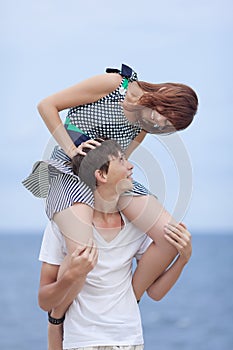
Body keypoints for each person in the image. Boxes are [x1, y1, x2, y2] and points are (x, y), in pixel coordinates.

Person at [23, 63, 198, 297]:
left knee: (170, 237)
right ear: (164, 95)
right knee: (83, 255)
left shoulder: (144, 127)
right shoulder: (115, 86)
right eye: (166, 115)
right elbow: (46, 105)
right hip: (69, 169)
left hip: (107, 178)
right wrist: (73, 150)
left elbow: (122, 159)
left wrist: (113, 193)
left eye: (168, 126)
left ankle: (130, 298)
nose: (160, 123)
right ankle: (56, 318)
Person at [38, 139, 192, 350]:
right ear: (101, 175)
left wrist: (183, 259)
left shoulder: (137, 227)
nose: (130, 166)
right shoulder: (64, 226)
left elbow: (155, 292)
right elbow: (44, 301)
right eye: (121, 160)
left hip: (130, 340)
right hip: (83, 342)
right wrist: (72, 276)